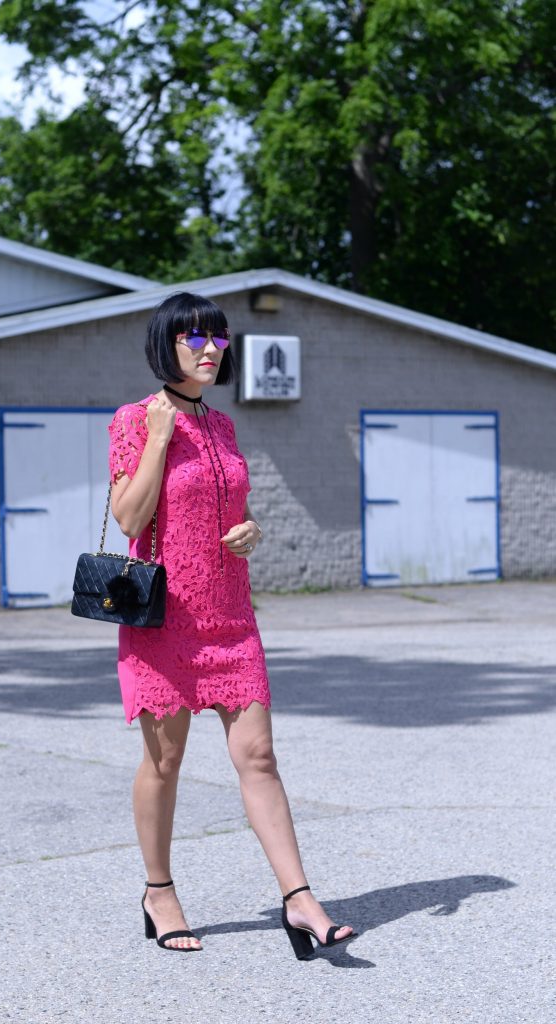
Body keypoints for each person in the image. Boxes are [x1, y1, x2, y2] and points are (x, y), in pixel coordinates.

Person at [108, 292, 355, 958]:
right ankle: (158, 891)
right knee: (164, 761)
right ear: (168, 344)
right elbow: (130, 519)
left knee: (260, 758)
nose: (212, 348)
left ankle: (299, 900)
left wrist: (247, 533)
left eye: (219, 337)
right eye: (197, 338)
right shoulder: (134, 419)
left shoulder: (223, 427)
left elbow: (224, 513)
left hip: (230, 615)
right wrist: (160, 439)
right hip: (164, 621)